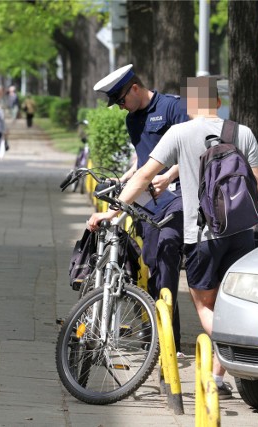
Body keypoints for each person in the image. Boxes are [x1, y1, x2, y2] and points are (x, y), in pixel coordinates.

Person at [87, 76, 258, 400]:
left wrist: (111, 213)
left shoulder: (179, 133)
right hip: (242, 233)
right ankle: (218, 377)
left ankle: (238, 349)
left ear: (190, 105)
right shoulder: (243, 133)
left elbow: (144, 175)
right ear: (219, 103)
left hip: (203, 233)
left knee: (205, 305)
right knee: (229, 301)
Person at [93, 64, 189, 355]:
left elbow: (191, 151)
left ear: (135, 88)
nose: (121, 107)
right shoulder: (132, 121)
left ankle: (168, 339)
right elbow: (143, 161)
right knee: (150, 260)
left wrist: (169, 176)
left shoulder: (174, 108)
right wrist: (122, 180)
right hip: (148, 204)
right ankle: (155, 327)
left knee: (166, 257)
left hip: (177, 197)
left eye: (121, 100)